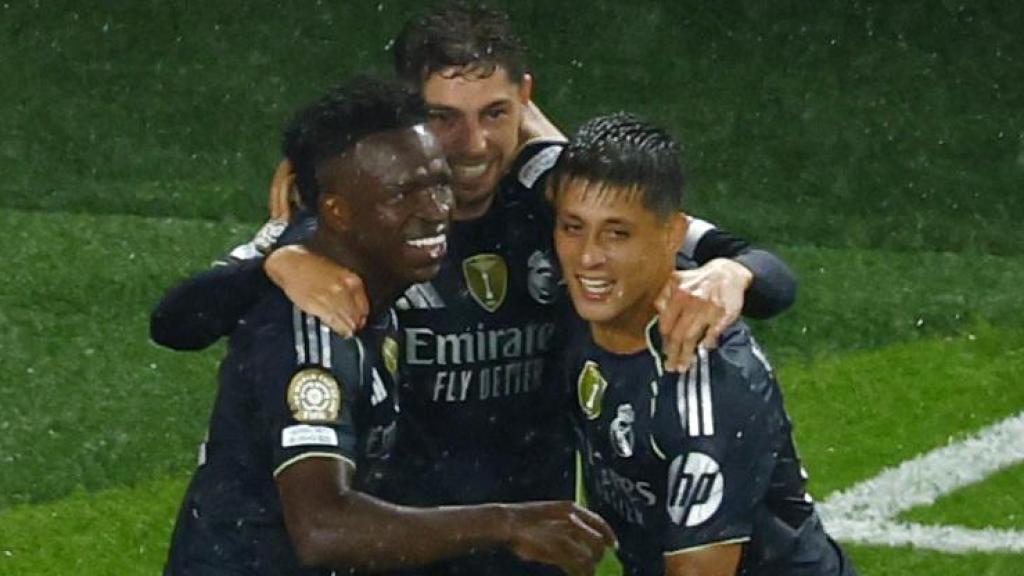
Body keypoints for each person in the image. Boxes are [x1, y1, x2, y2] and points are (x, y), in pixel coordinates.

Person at [152, 3, 797, 574]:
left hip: (530, 541)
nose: (473, 145)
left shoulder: (556, 194)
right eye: (445, 118)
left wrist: (730, 272)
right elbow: (177, 321)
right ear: (410, 113)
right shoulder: (364, 218)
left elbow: (765, 273)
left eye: (496, 114)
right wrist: (274, 259)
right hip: (400, 540)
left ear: (525, 102)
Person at [164, 77, 615, 576]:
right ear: (336, 211)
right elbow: (323, 528)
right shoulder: (315, 329)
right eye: (403, 194)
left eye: (438, 183)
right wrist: (507, 524)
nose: (435, 210)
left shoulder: (379, 280)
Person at [551, 112, 854, 576]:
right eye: (573, 227)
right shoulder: (588, 293)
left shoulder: (707, 384)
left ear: (672, 235)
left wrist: (738, 271)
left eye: (617, 233)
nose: (588, 257)